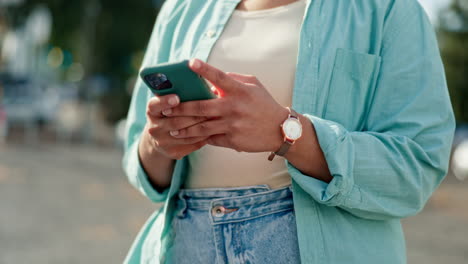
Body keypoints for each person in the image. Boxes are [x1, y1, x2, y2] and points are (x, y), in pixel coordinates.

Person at [122, 0, 455, 263]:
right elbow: (141, 164)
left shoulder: (390, 10)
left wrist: (286, 132)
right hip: (185, 244)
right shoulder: (181, 9)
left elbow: (416, 168)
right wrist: (159, 142)